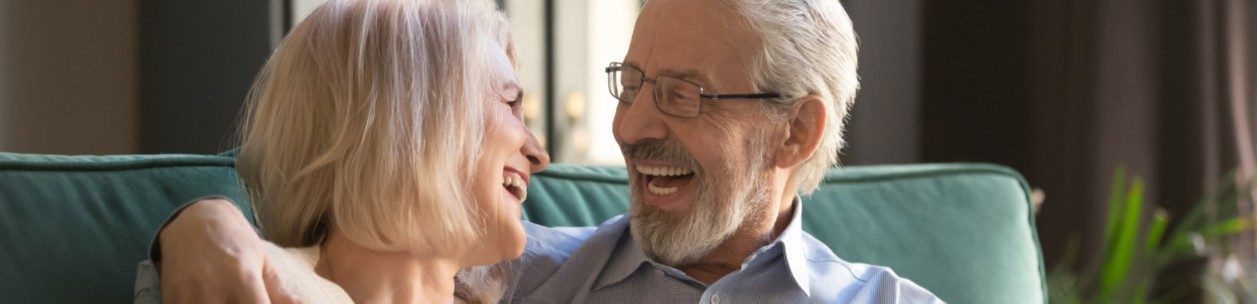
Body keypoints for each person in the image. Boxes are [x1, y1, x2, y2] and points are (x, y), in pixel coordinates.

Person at [144, 0, 943, 302]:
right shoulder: (521, 274)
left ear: (796, 131)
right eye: (630, 83)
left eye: (681, 93)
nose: (627, 130)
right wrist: (202, 224)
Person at [131, 0, 549, 302]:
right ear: (408, 122)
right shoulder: (245, 277)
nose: (538, 153)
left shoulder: (553, 281)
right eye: (509, 104)